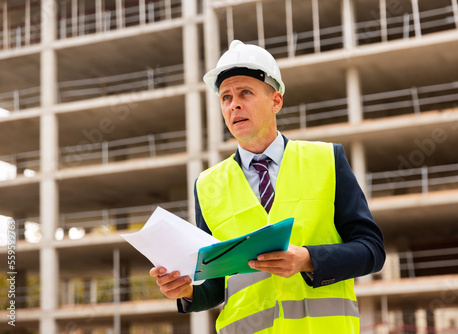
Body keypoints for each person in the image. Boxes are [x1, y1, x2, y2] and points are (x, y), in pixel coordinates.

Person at [150, 40, 385, 334]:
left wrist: (308, 260)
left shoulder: (327, 160)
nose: (233, 104)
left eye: (245, 93)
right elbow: (215, 286)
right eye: (225, 97)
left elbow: (372, 251)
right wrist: (184, 292)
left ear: (276, 101)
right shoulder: (207, 186)